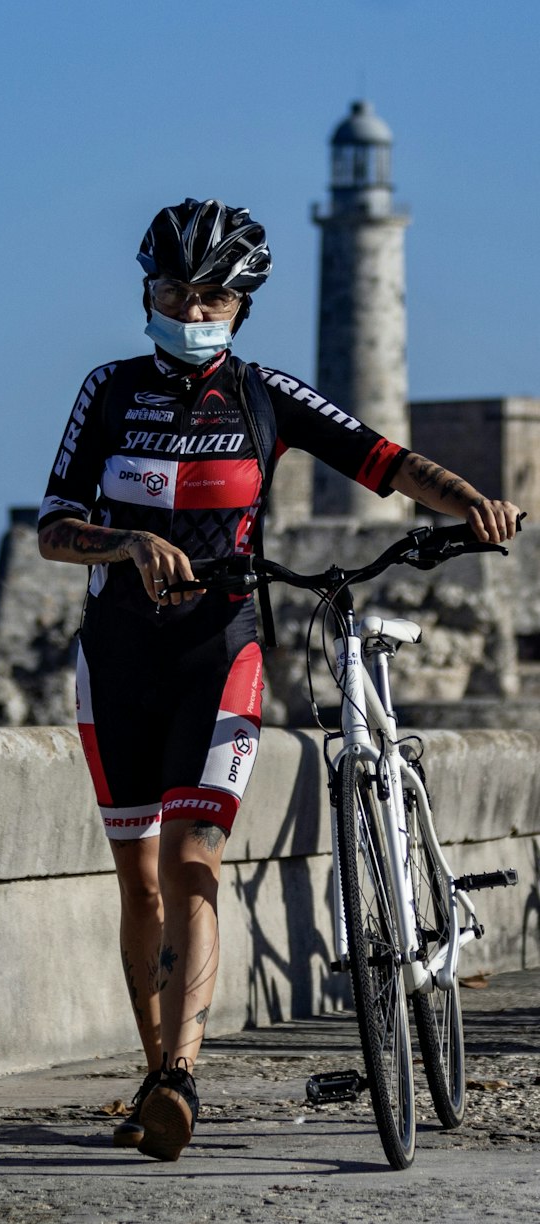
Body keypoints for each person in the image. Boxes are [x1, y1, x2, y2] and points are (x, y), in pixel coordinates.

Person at [36, 197, 521, 1163]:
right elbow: (52, 526)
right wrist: (129, 540)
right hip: (118, 657)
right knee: (138, 887)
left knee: (193, 863)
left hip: (224, 651)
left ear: (241, 307)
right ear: (146, 291)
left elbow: (383, 458)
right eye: (174, 289)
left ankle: (179, 1075)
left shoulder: (266, 396)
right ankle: (153, 1076)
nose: (190, 306)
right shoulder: (109, 389)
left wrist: (471, 501)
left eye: (210, 294)